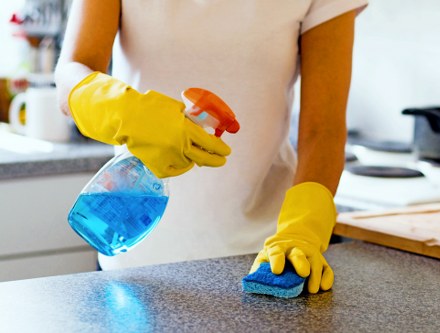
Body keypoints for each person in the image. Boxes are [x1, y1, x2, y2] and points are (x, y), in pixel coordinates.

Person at [55, 0, 368, 294]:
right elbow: (72, 72)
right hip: (130, 257)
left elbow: (323, 128)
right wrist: (122, 109)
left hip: (261, 261)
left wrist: (302, 229)